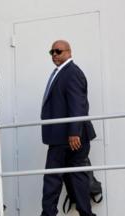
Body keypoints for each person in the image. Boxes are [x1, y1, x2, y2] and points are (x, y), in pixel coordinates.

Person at [40, 40, 96, 216]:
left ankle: (48, 214)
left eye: (58, 51)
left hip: (67, 137)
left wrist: (73, 133)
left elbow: (77, 104)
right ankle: (86, 213)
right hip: (66, 136)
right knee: (77, 177)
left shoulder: (71, 73)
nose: (55, 54)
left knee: (53, 178)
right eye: (52, 52)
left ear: (69, 52)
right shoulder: (63, 72)